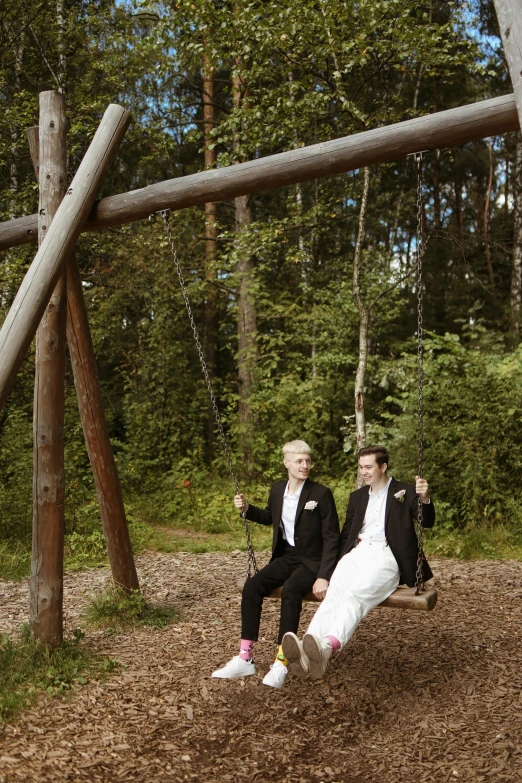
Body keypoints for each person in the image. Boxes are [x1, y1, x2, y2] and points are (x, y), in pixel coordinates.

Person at [282, 444, 435, 680]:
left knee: (355, 595)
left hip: (387, 555)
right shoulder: (358, 497)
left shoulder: (404, 491)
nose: (363, 472)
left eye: (368, 467)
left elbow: (427, 522)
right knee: (335, 593)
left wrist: (424, 498)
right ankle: (305, 649)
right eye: (360, 467)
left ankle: (326, 649)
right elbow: (345, 535)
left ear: (383, 467)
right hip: (357, 552)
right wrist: (327, 571)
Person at [212, 439, 339, 689]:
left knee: (291, 590)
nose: (305, 465)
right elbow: (270, 517)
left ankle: (282, 661)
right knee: (252, 586)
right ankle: (245, 657)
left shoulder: (321, 494)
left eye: (308, 461)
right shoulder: (278, 489)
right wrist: (247, 509)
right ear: (286, 463)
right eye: (299, 461)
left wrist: (324, 575)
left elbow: (332, 537)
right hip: (287, 556)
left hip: (312, 561)